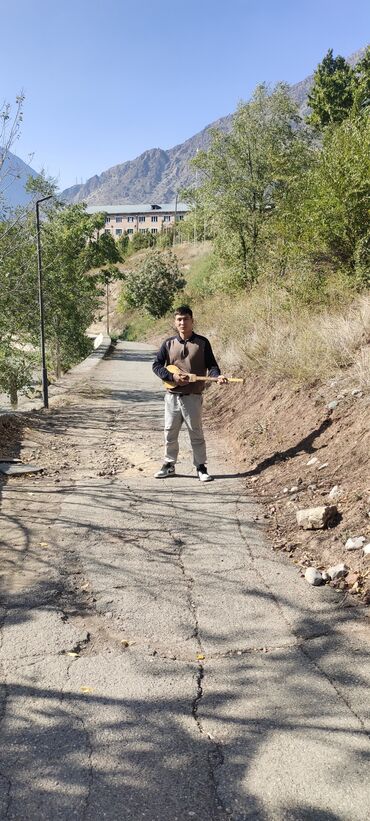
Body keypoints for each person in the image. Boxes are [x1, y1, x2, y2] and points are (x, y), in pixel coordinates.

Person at [152, 305, 227, 482]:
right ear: (175, 322)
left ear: (192, 321)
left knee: (196, 433)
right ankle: (169, 465)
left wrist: (217, 376)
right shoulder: (168, 343)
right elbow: (156, 365)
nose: (182, 322)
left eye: (186, 319)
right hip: (172, 397)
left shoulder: (202, 343)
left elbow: (213, 366)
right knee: (170, 432)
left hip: (193, 397)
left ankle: (201, 467)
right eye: (179, 319)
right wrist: (172, 376)